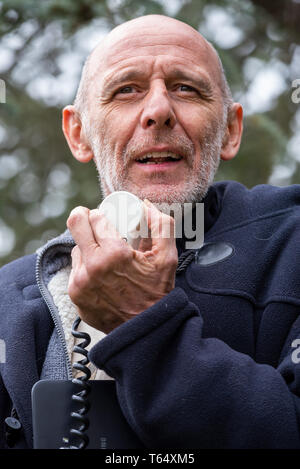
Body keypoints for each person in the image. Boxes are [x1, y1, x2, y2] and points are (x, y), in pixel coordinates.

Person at [0, 14, 300, 449]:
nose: (158, 111)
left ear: (231, 130)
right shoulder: (8, 299)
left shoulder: (291, 241)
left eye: (186, 88)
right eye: (126, 90)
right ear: (78, 134)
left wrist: (142, 325)